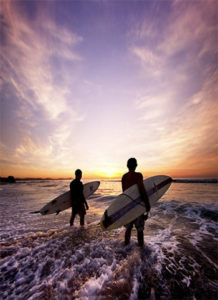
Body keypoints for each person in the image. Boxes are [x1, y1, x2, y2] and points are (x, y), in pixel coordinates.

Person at [122, 158, 150, 247]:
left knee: (128, 229)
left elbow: (125, 193)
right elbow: (142, 191)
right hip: (138, 207)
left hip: (128, 207)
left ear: (127, 166)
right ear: (136, 165)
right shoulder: (138, 176)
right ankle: (141, 250)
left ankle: (125, 248)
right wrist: (147, 206)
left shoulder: (124, 177)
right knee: (140, 229)